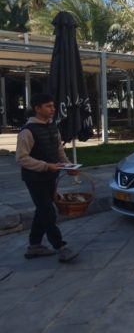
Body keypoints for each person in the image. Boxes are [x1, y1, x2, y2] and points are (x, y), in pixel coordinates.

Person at [15, 93, 79, 262]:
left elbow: (59, 151)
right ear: (37, 108)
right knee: (48, 213)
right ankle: (61, 247)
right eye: (48, 106)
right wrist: (45, 165)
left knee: (42, 211)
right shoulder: (27, 131)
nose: (53, 109)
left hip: (51, 177)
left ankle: (34, 246)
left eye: (53, 106)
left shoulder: (53, 127)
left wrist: (68, 166)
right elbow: (21, 158)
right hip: (34, 179)